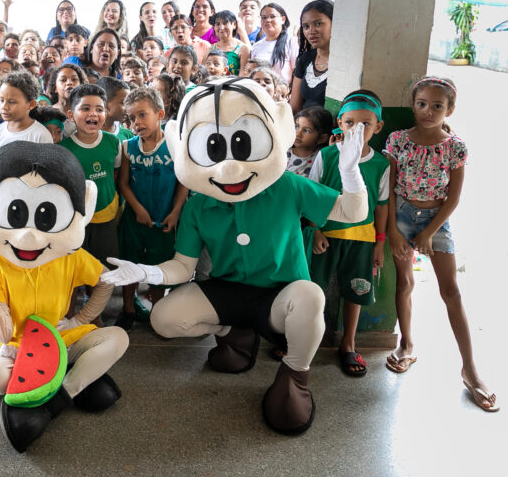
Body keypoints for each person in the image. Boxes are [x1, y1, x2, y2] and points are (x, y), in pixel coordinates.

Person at [100, 76, 371, 435]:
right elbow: (184, 266)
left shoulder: (286, 185)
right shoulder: (198, 204)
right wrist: (147, 273)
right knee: (164, 319)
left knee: (311, 296)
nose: (228, 166)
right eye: (213, 147)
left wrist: (351, 172)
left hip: (280, 293)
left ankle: (294, 377)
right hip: (227, 290)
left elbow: (352, 213)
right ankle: (234, 331)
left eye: (242, 143)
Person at [0, 141, 127, 452]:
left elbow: (105, 281)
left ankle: (63, 393)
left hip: (60, 338)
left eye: (47, 216)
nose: (29, 236)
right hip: (10, 344)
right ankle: (75, 379)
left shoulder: (69, 256)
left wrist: (81, 318)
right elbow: (4, 332)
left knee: (118, 338)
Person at [384, 77, 498, 411]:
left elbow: (453, 198)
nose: (428, 111)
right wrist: (393, 230)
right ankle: (406, 344)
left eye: (437, 106)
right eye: (422, 103)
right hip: (401, 214)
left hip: (437, 219)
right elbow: (388, 190)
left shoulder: (455, 147)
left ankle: (470, 369)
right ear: (413, 104)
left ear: (450, 109)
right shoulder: (398, 141)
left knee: (451, 292)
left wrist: (429, 232)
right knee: (404, 282)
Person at [309, 91, 390, 377]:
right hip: (326, 237)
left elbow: (381, 207)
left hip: (362, 239)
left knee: (356, 291)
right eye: (350, 122)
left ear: (378, 127)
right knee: (313, 288)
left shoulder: (381, 164)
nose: (358, 129)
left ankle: (349, 342)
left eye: (366, 123)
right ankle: (306, 337)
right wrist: (316, 230)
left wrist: (379, 244)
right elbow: (312, 195)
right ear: (340, 124)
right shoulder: (327, 155)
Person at [116, 87, 188, 330]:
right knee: (130, 261)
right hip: (135, 218)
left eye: (142, 115)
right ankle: (128, 308)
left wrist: (176, 211)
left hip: (164, 216)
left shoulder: (174, 146)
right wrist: (136, 208)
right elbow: (123, 183)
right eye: (132, 117)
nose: (136, 122)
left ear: (159, 113)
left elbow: (183, 183)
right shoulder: (128, 146)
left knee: (160, 264)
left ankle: (158, 310)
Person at [59, 84, 121, 267]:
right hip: (76, 217)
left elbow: (115, 173)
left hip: (107, 214)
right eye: (85, 108)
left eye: (99, 109)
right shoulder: (64, 149)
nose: (93, 114)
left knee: (105, 266)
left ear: (106, 114)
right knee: (78, 266)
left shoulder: (113, 142)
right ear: (71, 115)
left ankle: (98, 295)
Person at [291, 0, 334, 114]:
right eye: (306, 26)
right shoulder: (305, 59)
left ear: (334, 23)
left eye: (318, 24)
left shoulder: (343, 63)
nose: (311, 31)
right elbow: (295, 108)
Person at [0, 71, 53, 149]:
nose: (4, 107)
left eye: (12, 102)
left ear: (31, 105)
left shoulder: (41, 136)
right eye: (1, 100)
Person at [251, 3, 298, 85]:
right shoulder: (256, 46)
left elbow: (297, 72)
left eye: (272, 16)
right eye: (264, 17)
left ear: (283, 19)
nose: (267, 20)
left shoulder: (291, 42)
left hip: (282, 95)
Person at [287, 107, 333, 178]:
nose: (298, 133)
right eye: (296, 127)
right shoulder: (284, 152)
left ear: (322, 138)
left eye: (307, 131)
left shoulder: (320, 160)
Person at [212, 10, 250, 75]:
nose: (221, 27)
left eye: (225, 23)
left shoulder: (243, 48)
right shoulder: (210, 49)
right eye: (218, 24)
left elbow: (243, 75)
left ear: (234, 25)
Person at [97, 76, 133, 142]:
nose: (128, 108)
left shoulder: (127, 135)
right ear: (104, 103)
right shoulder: (88, 135)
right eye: (123, 103)